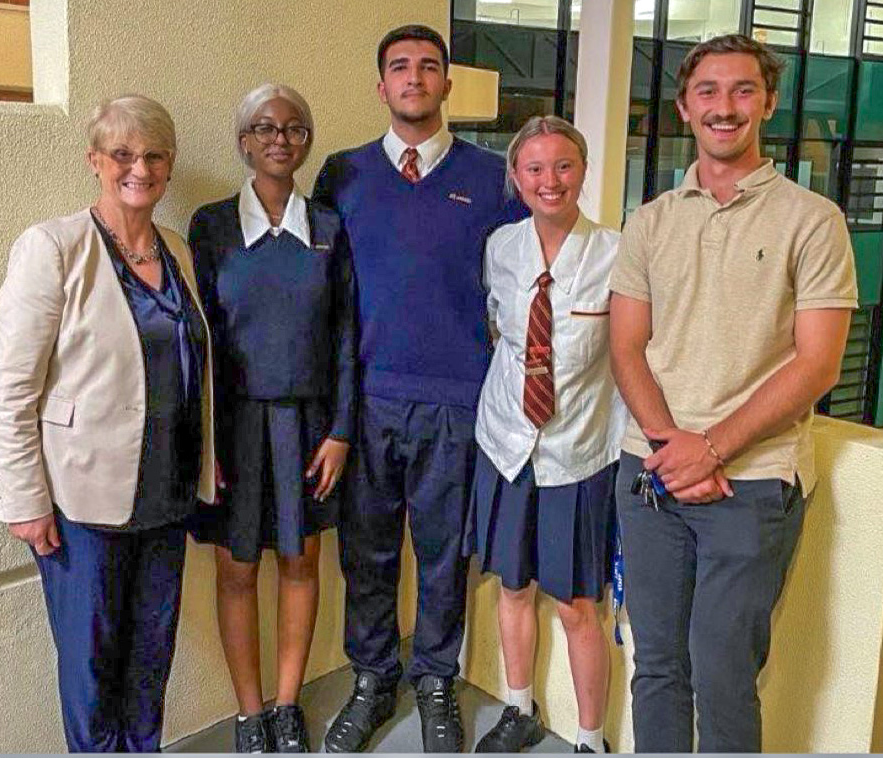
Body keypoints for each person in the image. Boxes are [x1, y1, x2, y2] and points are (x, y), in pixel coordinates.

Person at [609, 35, 857, 753]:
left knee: (722, 676)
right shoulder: (649, 220)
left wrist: (711, 448)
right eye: (708, 92)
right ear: (684, 107)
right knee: (656, 665)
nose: (725, 106)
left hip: (752, 482)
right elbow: (626, 347)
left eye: (743, 89)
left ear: (768, 103)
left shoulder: (813, 220)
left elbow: (817, 365)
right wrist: (673, 450)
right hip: (652, 474)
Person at [313, 24, 527, 753]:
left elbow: (522, 282)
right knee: (366, 554)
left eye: (428, 66)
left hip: (456, 403)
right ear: (381, 86)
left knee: (443, 555)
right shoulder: (342, 175)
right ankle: (373, 679)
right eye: (400, 67)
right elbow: (327, 294)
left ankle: (435, 679)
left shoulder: (493, 178)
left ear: (446, 84)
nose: (414, 77)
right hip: (368, 402)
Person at [0, 94, 215, 752]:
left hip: (166, 494)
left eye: (154, 156)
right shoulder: (53, 247)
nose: (139, 168)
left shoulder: (176, 250)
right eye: (122, 154)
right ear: (95, 161)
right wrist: (26, 500)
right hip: (80, 503)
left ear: (170, 165)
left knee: (151, 659)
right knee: (92, 670)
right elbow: (13, 388)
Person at [188, 83, 355, 754]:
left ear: (306, 142)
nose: (279, 139)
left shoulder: (330, 229)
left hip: (309, 427)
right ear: (244, 142)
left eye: (293, 128)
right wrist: (205, 440)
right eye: (264, 128)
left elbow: (346, 336)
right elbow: (199, 339)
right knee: (236, 569)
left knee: (300, 561)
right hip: (234, 428)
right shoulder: (211, 226)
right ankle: (248, 712)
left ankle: (287, 705)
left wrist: (340, 430)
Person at [466, 116, 626, 754]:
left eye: (563, 166)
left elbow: (631, 353)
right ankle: (518, 708)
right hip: (506, 442)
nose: (549, 180)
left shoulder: (616, 253)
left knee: (577, 604)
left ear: (583, 171)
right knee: (512, 586)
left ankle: (590, 737)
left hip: (579, 451)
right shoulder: (500, 247)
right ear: (516, 176)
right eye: (534, 168)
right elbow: (497, 330)